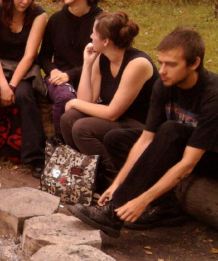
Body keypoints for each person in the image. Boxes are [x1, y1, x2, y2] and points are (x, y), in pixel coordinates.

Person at [69, 28, 218, 237]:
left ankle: (113, 215)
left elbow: (188, 164)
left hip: (210, 157)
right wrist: (119, 185)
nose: (163, 70)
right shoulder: (164, 84)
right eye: (161, 62)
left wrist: (142, 200)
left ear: (194, 63)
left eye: (171, 64)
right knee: (116, 139)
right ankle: (166, 208)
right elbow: (145, 140)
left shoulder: (212, 95)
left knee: (170, 129)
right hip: (182, 146)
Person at [60, 11, 158, 190]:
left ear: (106, 41)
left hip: (142, 126)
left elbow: (112, 113)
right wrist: (88, 64)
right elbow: (86, 99)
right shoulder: (102, 57)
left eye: (94, 33)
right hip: (119, 121)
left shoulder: (137, 64)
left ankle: (115, 181)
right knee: (69, 119)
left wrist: (73, 102)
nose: (90, 36)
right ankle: (87, 176)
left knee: (82, 128)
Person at [0, 0, 47, 177]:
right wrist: (3, 85)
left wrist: (12, 85)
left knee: (24, 94)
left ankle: (35, 155)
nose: (25, 1)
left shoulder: (39, 15)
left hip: (24, 69)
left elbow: (30, 55)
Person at [37, 0, 103, 139]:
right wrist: (53, 71)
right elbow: (44, 57)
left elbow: (101, 58)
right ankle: (62, 144)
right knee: (65, 96)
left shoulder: (101, 21)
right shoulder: (56, 20)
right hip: (58, 78)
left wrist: (70, 75)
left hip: (92, 76)